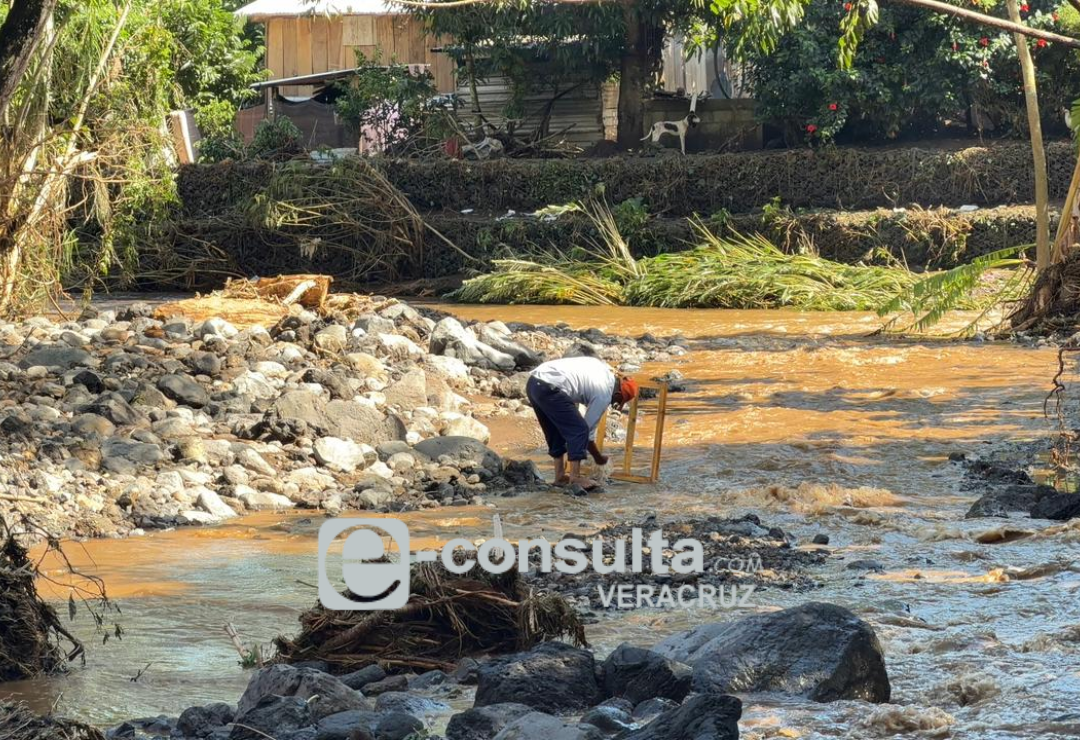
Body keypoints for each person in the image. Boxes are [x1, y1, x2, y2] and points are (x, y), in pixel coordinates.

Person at [526, 356, 639, 488]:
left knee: (555, 431)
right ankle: (575, 478)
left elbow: (576, 382)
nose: (615, 404)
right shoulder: (604, 394)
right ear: (618, 394)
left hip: (534, 383)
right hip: (550, 388)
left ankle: (559, 477)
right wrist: (599, 459)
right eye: (618, 401)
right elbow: (587, 430)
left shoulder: (604, 370)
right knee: (579, 429)